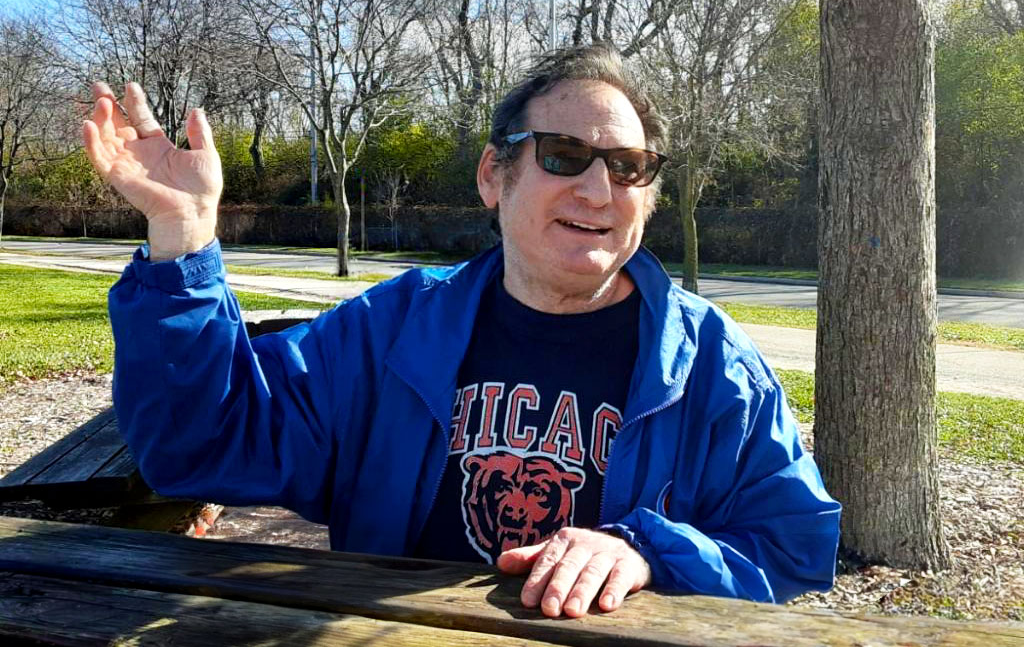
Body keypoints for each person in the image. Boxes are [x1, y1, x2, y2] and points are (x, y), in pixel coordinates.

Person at [83, 45, 840, 619]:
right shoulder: (389, 330)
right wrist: (182, 241)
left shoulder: (712, 365)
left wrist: (648, 550)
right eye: (565, 155)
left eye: (629, 165)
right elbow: (201, 444)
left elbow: (791, 545)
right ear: (493, 176)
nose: (598, 188)